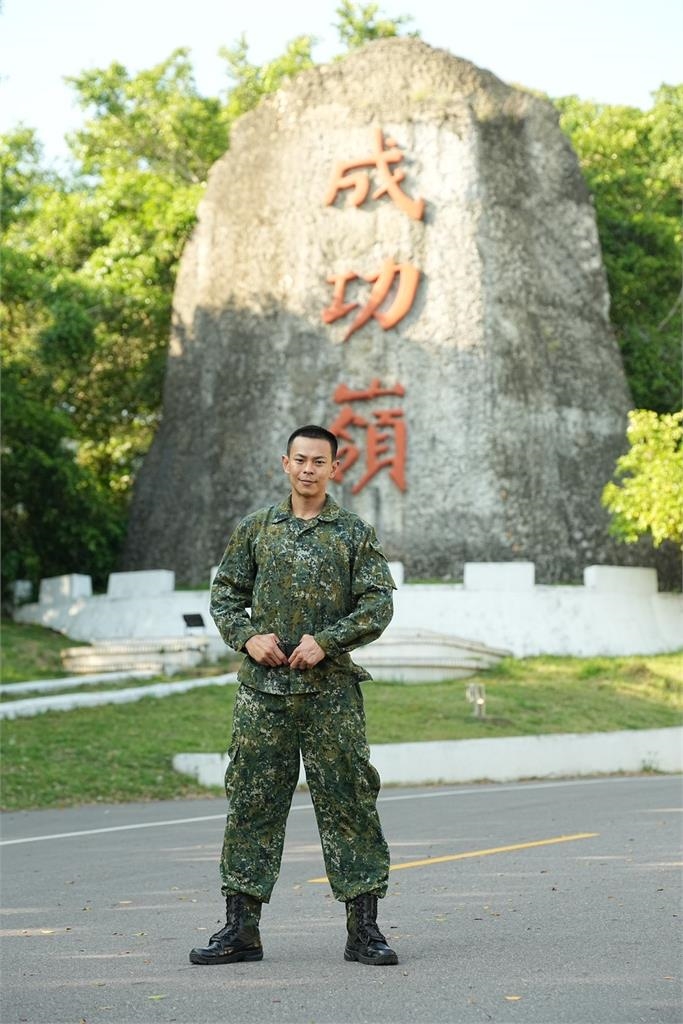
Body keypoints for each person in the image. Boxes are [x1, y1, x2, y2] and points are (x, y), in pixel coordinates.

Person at [189, 424, 399, 968]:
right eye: (299, 460)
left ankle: (364, 930)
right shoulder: (257, 529)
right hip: (264, 695)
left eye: (318, 461)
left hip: (330, 695)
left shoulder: (353, 532)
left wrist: (326, 643)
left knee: (349, 803)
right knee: (252, 803)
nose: (308, 469)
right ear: (285, 463)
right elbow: (225, 594)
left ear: (335, 468)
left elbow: (377, 605)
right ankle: (241, 930)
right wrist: (247, 636)